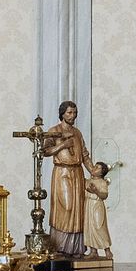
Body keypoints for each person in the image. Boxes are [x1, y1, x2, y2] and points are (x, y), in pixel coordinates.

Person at [43, 100, 91, 255]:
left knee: (78, 209)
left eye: (75, 113)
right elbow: (45, 151)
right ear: (62, 114)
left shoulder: (77, 133)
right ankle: (60, 246)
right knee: (67, 206)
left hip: (77, 173)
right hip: (62, 172)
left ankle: (76, 248)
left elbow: (84, 154)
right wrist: (63, 145)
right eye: (69, 112)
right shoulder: (54, 131)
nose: (73, 116)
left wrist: (94, 171)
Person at [82, 161, 113, 258]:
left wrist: (96, 191)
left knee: (99, 227)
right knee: (89, 227)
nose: (93, 168)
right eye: (94, 166)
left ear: (102, 172)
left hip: (97, 205)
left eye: (97, 168)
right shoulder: (87, 181)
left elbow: (104, 195)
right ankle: (93, 251)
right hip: (88, 205)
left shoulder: (102, 183)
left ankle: (107, 250)